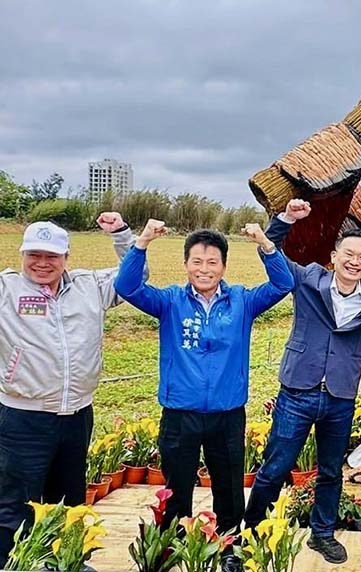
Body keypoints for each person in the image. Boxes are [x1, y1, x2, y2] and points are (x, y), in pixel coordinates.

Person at [243, 198, 361, 564]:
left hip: (340, 397)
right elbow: (271, 250)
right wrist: (285, 219)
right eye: (348, 254)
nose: (355, 261)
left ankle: (322, 534)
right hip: (297, 392)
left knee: (332, 471)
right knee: (275, 467)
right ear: (334, 257)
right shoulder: (306, 279)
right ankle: (250, 535)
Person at [113, 219, 294, 572]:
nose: (204, 269)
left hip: (227, 415)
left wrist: (265, 244)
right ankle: (173, 544)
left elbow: (283, 283)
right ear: (185, 264)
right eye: (197, 261)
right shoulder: (169, 301)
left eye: (212, 262)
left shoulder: (242, 301)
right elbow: (127, 286)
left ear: (224, 266)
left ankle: (228, 546)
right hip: (180, 415)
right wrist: (143, 241)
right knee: (177, 485)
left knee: (229, 487)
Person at [0, 213, 138, 568]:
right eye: (34, 254)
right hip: (23, 418)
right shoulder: (6, 290)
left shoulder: (89, 286)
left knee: (67, 501)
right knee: (15, 504)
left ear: (66, 257)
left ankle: (66, 563)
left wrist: (122, 235)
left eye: (52, 256)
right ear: (22, 254)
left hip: (77, 416)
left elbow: (135, 276)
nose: (42, 263)